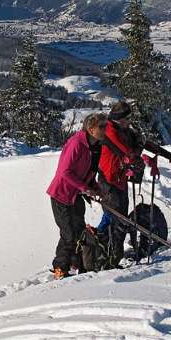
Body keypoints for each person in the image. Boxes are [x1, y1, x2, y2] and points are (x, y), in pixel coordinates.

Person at [96, 101, 171, 263]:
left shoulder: (123, 130)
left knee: (115, 218)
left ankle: (101, 250)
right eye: (127, 119)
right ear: (118, 119)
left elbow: (145, 143)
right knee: (118, 221)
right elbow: (128, 154)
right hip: (109, 181)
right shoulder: (111, 132)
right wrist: (138, 150)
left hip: (119, 180)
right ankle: (109, 257)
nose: (129, 122)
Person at [46, 113, 108, 280]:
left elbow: (89, 172)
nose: (105, 130)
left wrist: (94, 187)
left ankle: (76, 264)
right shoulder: (77, 144)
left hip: (76, 196)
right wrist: (85, 189)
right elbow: (64, 172)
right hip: (61, 194)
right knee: (68, 234)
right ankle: (60, 268)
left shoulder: (96, 146)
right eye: (101, 127)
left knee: (79, 232)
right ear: (91, 128)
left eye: (106, 126)